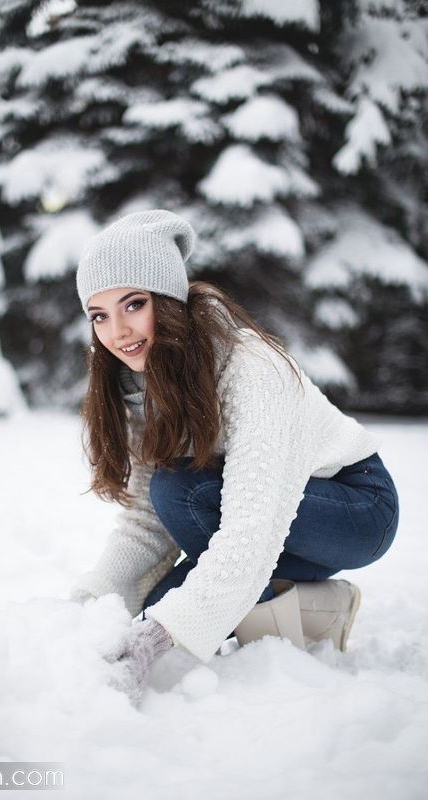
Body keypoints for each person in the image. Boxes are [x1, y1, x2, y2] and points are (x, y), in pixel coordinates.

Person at [70, 209, 400, 707]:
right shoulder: (139, 381)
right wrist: (88, 607)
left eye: (133, 304)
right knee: (158, 603)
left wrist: (155, 642)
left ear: (168, 299)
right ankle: (313, 605)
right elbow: (145, 522)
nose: (117, 331)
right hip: (261, 511)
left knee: (181, 500)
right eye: (99, 315)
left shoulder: (251, 366)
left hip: (354, 506)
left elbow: (251, 528)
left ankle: (280, 618)